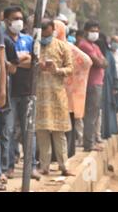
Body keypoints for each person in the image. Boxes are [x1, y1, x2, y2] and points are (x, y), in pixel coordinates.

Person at [2, 6, 41, 180]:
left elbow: (32, 61)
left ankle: (31, 166)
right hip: (9, 92)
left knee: (28, 130)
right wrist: (21, 59)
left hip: (27, 91)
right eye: (14, 18)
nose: (18, 21)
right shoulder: (2, 39)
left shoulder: (28, 39)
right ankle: (9, 166)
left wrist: (16, 61)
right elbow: (5, 64)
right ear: (6, 21)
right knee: (8, 131)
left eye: (20, 18)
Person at [36, 19, 74, 176]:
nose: (44, 34)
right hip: (39, 95)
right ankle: (44, 166)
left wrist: (57, 70)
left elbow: (70, 68)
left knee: (59, 132)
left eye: (47, 31)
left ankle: (63, 166)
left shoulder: (62, 46)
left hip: (57, 94)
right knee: (42, 132)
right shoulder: (35, 46)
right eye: (42, 31)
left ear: (53, 30)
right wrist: (37, 66)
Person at [54, 20, 91, 156]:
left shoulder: (67, 47)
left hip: (66, 92)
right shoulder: (50, 46)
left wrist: (73, 77)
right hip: (54, 92)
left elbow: (87, 61)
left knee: (65, 124)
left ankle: (65, 153)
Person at [78, 20, 107, 152]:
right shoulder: (85, 45)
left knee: (94, 114)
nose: (95, 33)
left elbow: (104, 62)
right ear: (86, 31)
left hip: (98, 83)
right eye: (92, 31)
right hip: (92, 83)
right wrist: (100, 61)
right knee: (91, 114)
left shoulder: (95, 46)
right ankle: (89, 144)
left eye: (97, 31)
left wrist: (101, 61)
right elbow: (99, 63)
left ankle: (92, 141)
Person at [96, 33, 118, 140]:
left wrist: (115, 86)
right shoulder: (94, 53)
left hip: (107, 87)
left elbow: (114, 72)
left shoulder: (109, 55)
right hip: (96, 85)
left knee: (106, 109)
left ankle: (105, 131)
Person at [110, 35, 118, 113]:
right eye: (115, 42)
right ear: (111, 42)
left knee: (116, 96)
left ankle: (116, 110)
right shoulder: (108, 52)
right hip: (110, 78)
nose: (116, 44)